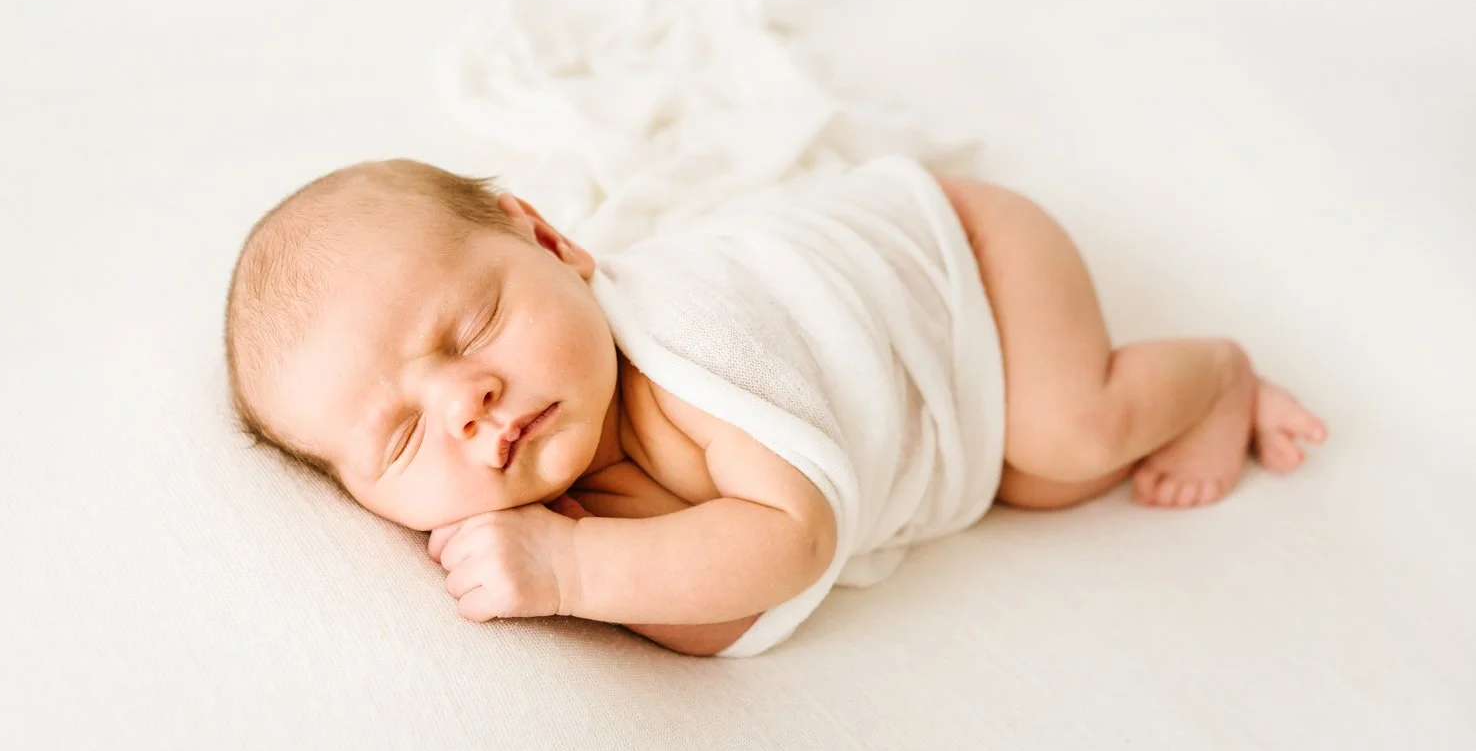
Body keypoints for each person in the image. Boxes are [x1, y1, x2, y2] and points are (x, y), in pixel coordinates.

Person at [223, 158, 1326, 657]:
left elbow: (790, 539)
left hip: (964, 256)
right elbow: (717, 617)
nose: (470, 401)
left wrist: (570, 575)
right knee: (1035, 481)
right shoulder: (566, 489)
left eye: (469, 332)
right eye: (405, 437)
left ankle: (1217, 374)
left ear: (551, 241)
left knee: (1068, 431)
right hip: (941, 383)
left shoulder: (678, 353)